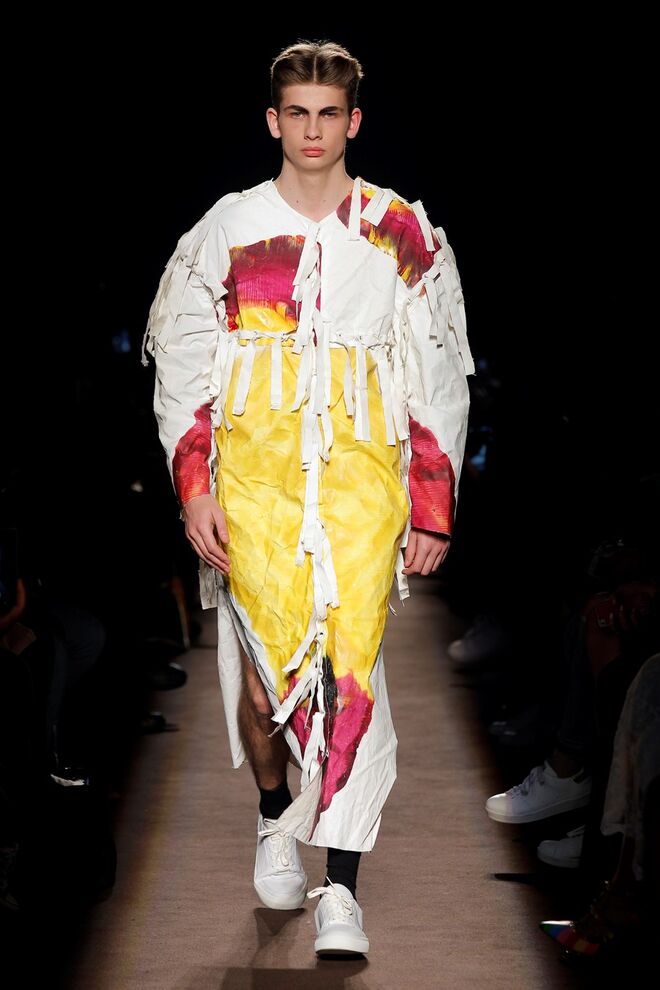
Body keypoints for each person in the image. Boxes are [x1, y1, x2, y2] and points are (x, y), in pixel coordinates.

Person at [141, 39, 475, 957]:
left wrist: (432, 503)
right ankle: (271, 809)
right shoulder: (229, 228)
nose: (314, 130)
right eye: (298, 113)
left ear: (353, 121)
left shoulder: (396, 230)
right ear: (274, 120)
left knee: (348, 675)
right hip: (255, 486)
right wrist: (194, 488)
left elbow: (436, 369)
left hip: (363, 485)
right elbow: (183, 366)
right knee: (263, 687)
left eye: (330, 113)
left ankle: (342, 892)